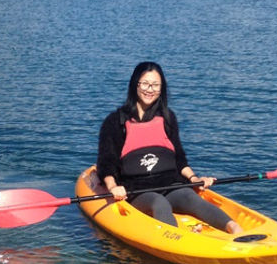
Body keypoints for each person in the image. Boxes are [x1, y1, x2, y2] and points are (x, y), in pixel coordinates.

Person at [96, 62, 243, 234]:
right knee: (158, 203)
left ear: (161, 89)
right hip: (137, 189)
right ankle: (177, 242)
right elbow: (107, 162)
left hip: (170, 183)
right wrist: (113, 187)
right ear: (135, 84)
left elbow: (179, 158)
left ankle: (236, 230)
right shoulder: (115, 121)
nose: (149, 89)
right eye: (145, 83)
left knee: (191, 198)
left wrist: (194, 179)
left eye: (155, 85)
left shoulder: (167, 117)